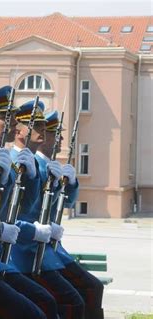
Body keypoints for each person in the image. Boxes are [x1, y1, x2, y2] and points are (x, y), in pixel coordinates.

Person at [0, 86, 58, 319]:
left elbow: (26, 206)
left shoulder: (10, 160)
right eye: (5, 117)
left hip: (0, 257)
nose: (10, 122)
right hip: (3, 257)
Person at [10, 101, 85, 319]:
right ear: (19, 130)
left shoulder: (39, 164)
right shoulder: (19, 162)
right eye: (38, 126)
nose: (44, 132)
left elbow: (62, 205)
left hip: (42, 248)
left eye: (45, 128)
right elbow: (20, 210)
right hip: (22, 251)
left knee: (81, 294)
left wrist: (69, 185)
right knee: (66, 301)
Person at [39, 111, 104, 319]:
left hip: (52, 249)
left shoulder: (49, 166)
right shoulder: (33, 166)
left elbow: (65, 202)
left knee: (92, 288)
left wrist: (71, 183)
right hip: (35, 250)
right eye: (54, 133)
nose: (60, 139)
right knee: (77, 297)